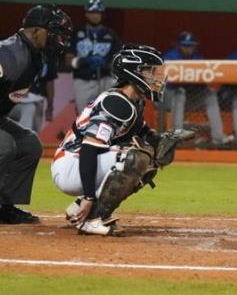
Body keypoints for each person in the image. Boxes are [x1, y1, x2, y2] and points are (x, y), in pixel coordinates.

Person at [52, 44, 192, 236]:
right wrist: (89, 196)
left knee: (149, 158)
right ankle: (92, 218)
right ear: (133, 73)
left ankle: (80, 208)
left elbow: (147, 137)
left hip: (78, 162)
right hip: (72, 164)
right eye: (149, 72)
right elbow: (89, 150)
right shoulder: (116, 103)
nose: (156, 78)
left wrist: (165, 142)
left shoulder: (132, 101)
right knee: (136, 158)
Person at [0, 5, 72, 224]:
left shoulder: (33, 55)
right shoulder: (10, 53)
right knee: (4, 145)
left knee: (29, 144)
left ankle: (4, 206)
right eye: (54, 32)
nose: (58, 39)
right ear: (35, 31)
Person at [164, 32, 229, 146]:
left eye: (190, 46)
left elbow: (202, 82)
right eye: (185, 45)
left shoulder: (197, 58)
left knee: (210, 94)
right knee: (180, 91)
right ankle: (177, 136)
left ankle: (218, 138)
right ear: (179, 45)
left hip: (188, 98)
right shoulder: (170, 56)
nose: (188, 48)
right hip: (168, 98)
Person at [65, 0, 122, 114]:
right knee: (83, 116)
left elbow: (119, 59)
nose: (95, 15)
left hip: (105, 79)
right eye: (92, 12)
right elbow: (68, 60)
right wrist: (83, 61)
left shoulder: (110, 34)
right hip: (83, 80)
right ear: (86, 13)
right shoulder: (77, 33)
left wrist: (107, 63)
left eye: (98, 12)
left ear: (102, 14)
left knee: (108, 114)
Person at [8, 51, 58, 133]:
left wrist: (50, 107)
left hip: (34, 100)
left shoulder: (48, 56)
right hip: (11, 100)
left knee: (32, 132)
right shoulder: (16, 50)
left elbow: (50, 84)